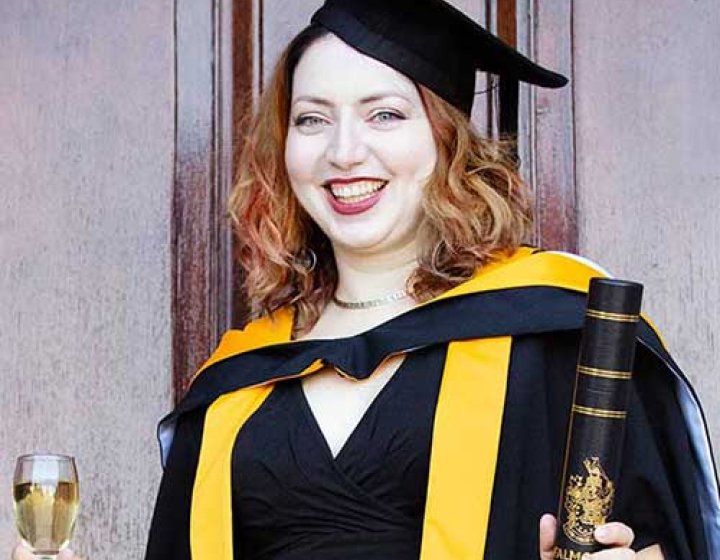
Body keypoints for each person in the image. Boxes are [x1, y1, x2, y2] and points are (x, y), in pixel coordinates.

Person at [14, 0, 718, 559]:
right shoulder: (238, 380)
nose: (345, 152)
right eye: (313, 119)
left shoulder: (558, 333)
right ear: (283, 150)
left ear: (447, 139)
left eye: (384, 113)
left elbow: (660, 539)